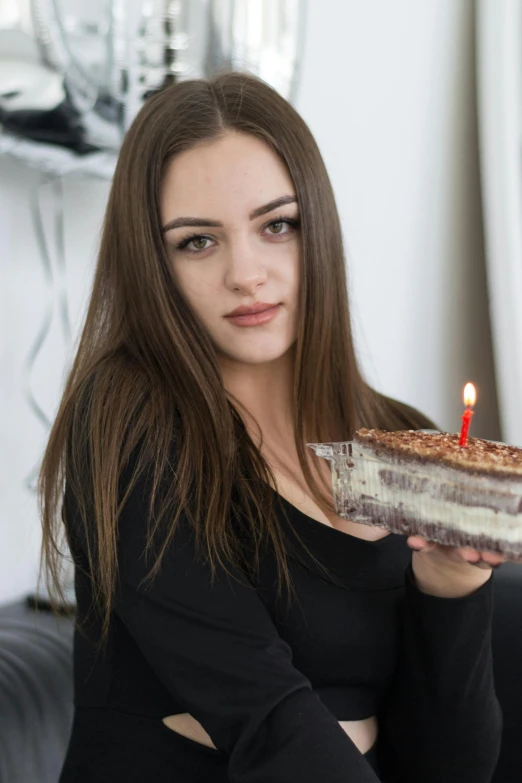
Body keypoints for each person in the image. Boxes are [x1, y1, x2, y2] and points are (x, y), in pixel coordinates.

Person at [39, 71, 506, 783]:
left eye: (276, 225)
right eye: (198, 242)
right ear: (152, 265)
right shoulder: (127, 422)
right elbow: (265, 718)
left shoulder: (398, 438)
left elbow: (450, 766)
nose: (246, 274)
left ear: (316, 226)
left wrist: (449, 591)